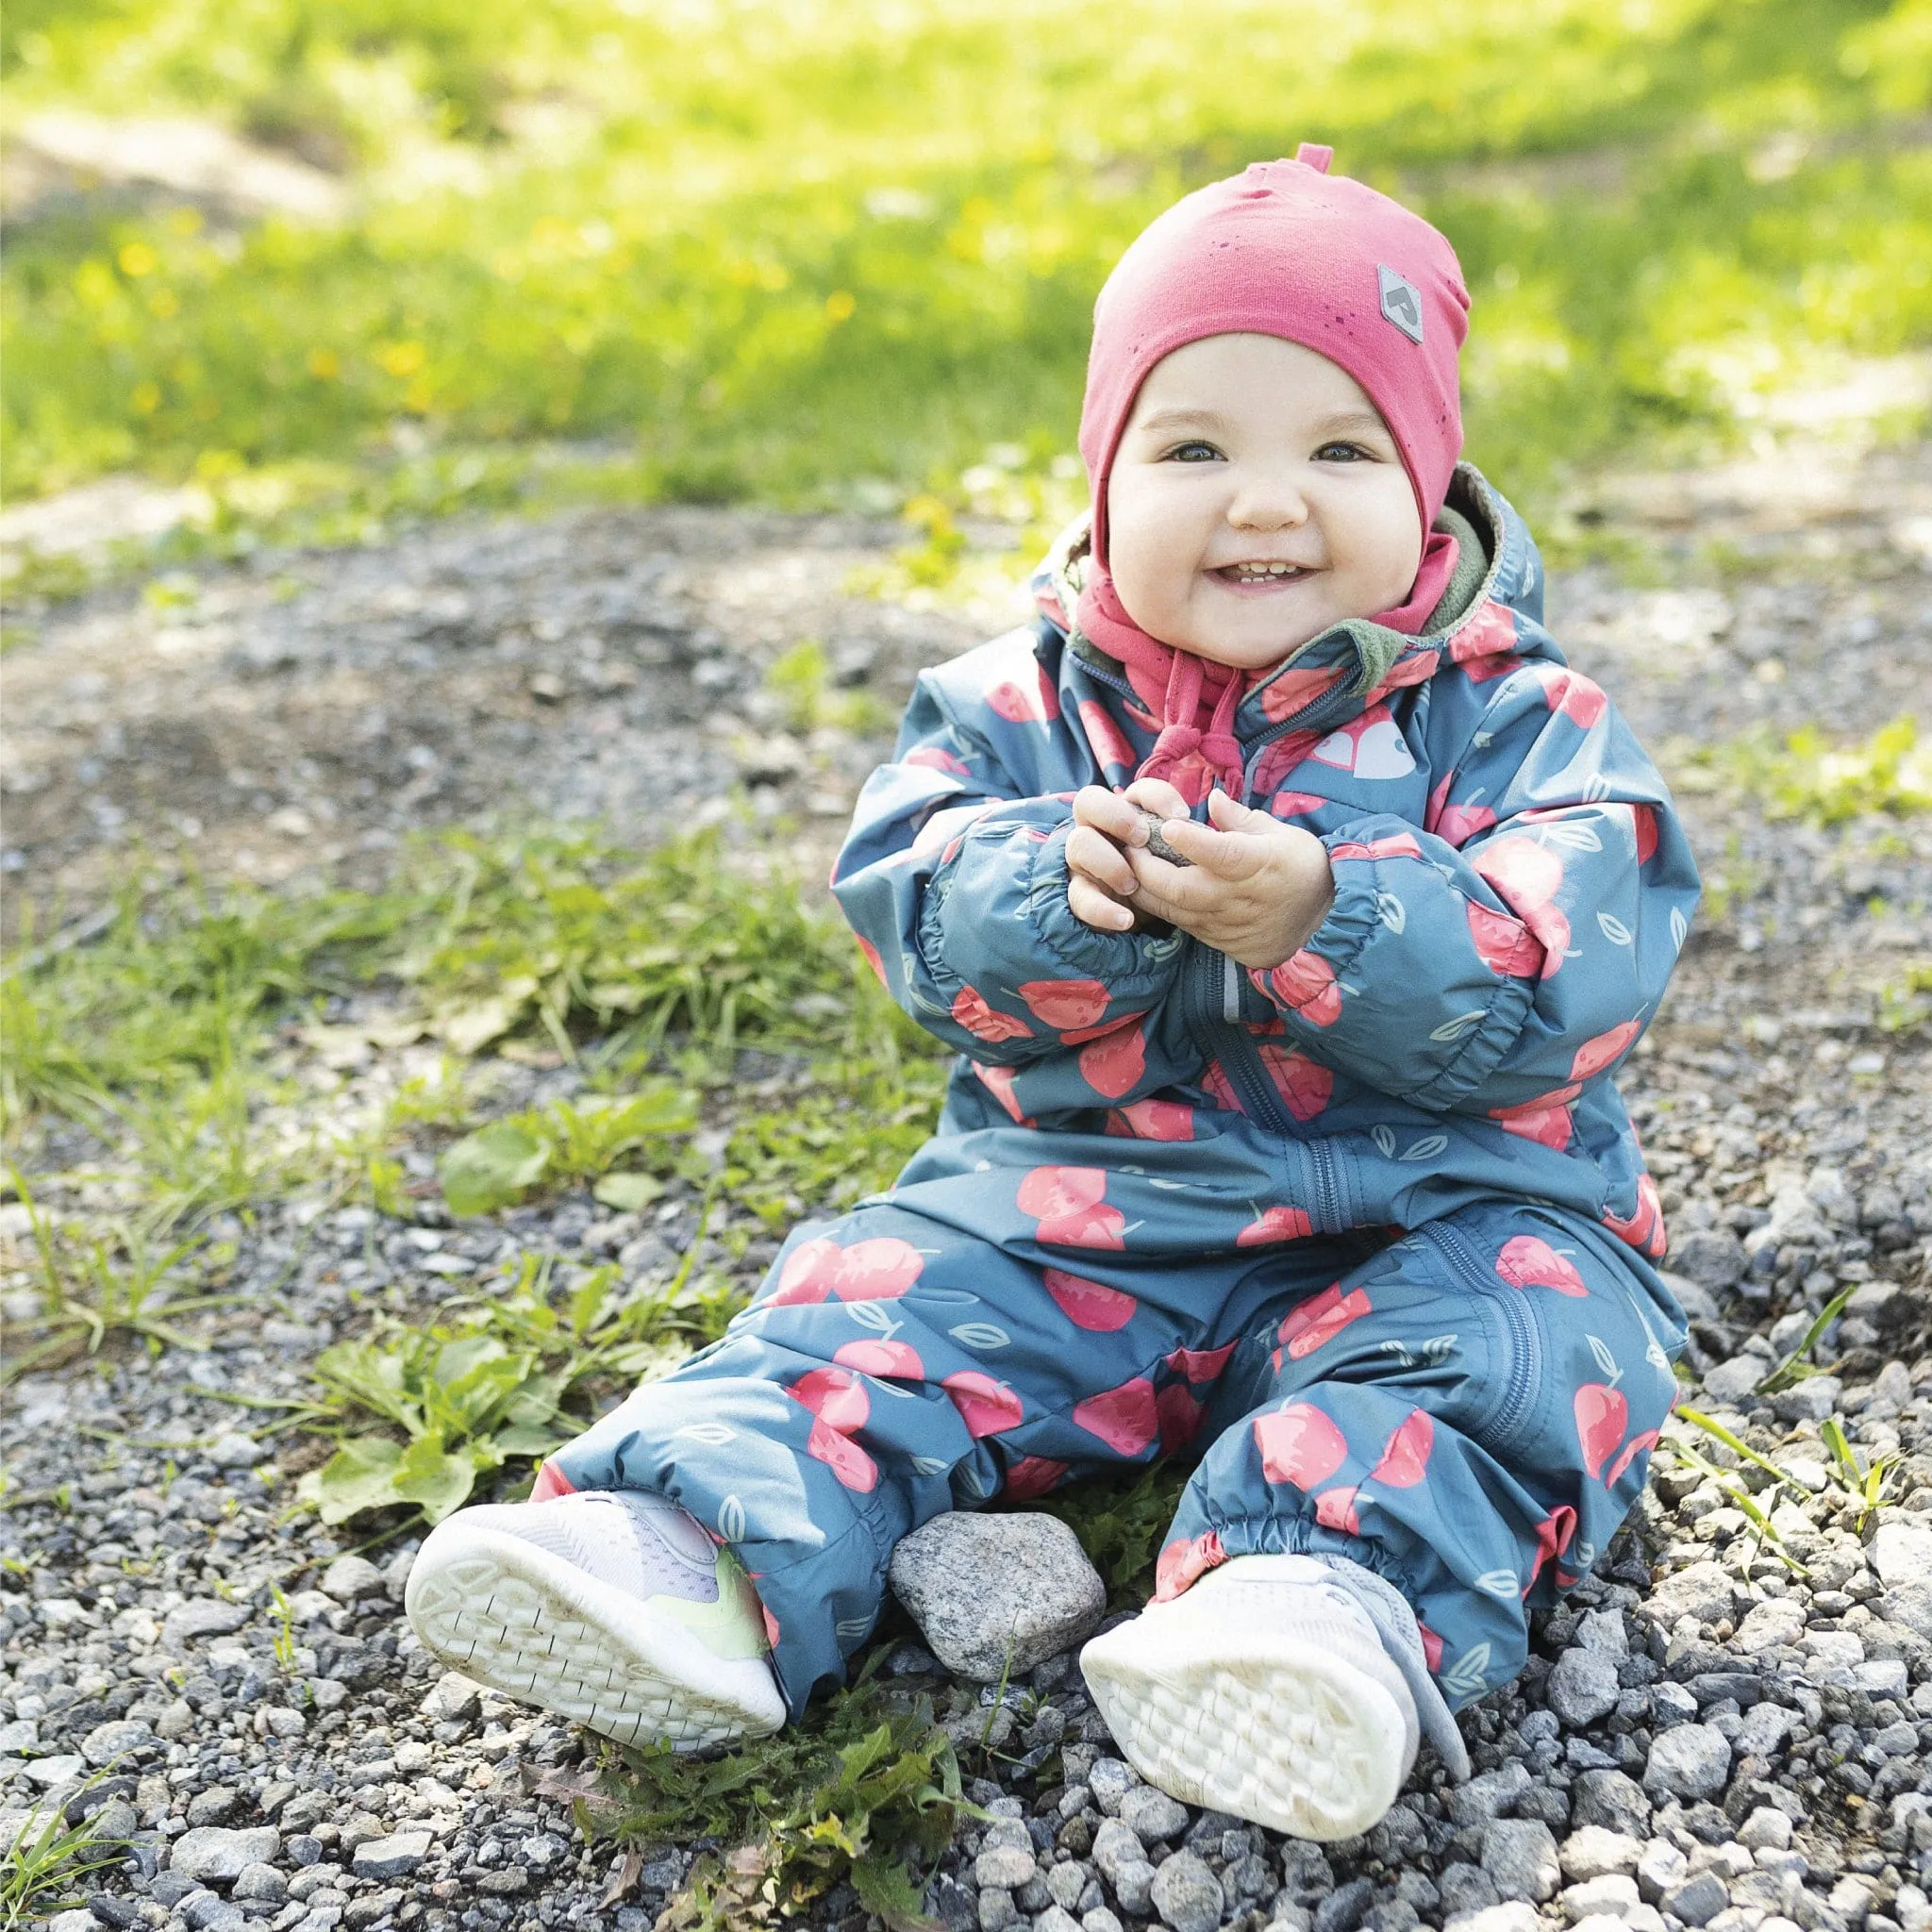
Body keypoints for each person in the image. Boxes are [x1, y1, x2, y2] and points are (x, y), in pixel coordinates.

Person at [405, 146, 1698, 1841]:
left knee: (1524, 1353)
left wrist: (1335, 908)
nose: (1262, 502)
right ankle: (688, 1550)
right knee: (880, 1302)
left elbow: (1575, 973)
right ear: (1098, 481)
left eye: (1337, 447)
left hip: (1446, 1213)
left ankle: (1306, 1604)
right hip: (1085, 1210)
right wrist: (1058, 899)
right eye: (1192, 448)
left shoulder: (1527, 724)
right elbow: (916, 915)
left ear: (1431, 476)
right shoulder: (1014, 706)